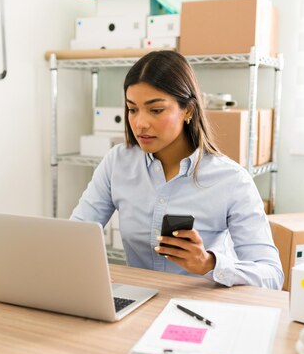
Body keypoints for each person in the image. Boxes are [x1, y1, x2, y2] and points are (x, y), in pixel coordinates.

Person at [70, 50, 283, 289]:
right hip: (137, 304)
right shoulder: (117, 163)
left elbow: (272, 275)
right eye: (132, 109)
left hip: (202, 307)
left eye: (156, 110)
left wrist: (209, 263)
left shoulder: (232, 180)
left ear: (188, 110)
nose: (140, 123)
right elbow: (75, 236)